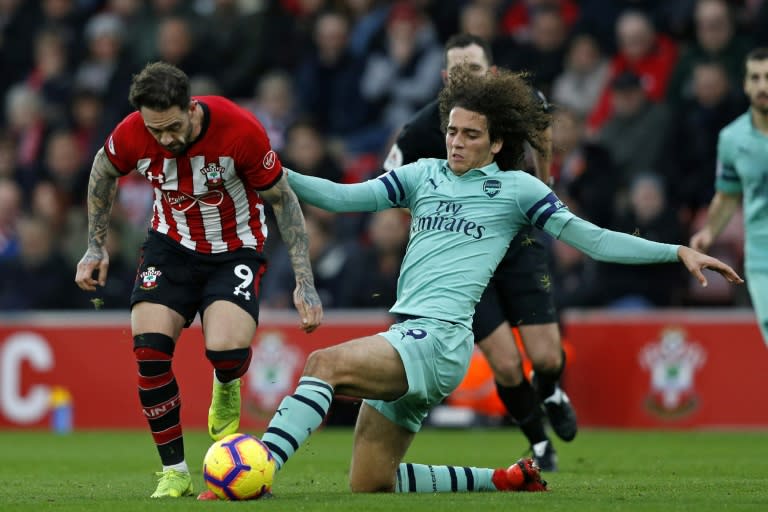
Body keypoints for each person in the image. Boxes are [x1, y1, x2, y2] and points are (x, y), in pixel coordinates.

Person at [201, 64, 742, 498]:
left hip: (440, 338)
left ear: (498, 142)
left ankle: (258, 468)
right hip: (408, 333)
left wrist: (676, 252)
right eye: (452, 131)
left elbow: (593, 238)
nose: (456, 143)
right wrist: (267, 170)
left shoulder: (517, 190)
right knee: (370, 482)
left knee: (323, 364)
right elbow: (344, 198)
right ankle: (505, 479)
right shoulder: (422, 176)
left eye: (470, 135)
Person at [73, 62, 323, 498]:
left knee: (226, 351)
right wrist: (95, 246)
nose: (164, 139)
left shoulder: (240, 130)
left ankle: (227, 381)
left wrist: (304, 280)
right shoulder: (134, 131)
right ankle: (174, 472)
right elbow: (102, 170)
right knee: (149, 352)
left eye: (172, 127)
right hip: (170, 245)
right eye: (155, 131)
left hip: (235, 248)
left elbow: (283, 200)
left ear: (191, 108)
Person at [384, 33, 569, 471]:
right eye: (459, 71)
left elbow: (543, 127)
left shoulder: (517, 105)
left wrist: (545, 183)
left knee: (546, 357)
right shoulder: (420, 130)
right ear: (447, 77)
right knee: (506, 364)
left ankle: (551, 389)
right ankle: (540, 442)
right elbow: (391, 186)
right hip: (464, 263)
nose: (467, 78)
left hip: (518, 246)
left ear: (492, 72)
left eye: (476, 69)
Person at [690, 47, 768, 346]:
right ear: (747, 84)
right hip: (759, 255)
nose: (763, 85)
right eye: (756, 78)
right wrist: (709, 231)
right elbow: (727, 195)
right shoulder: (732, 139)